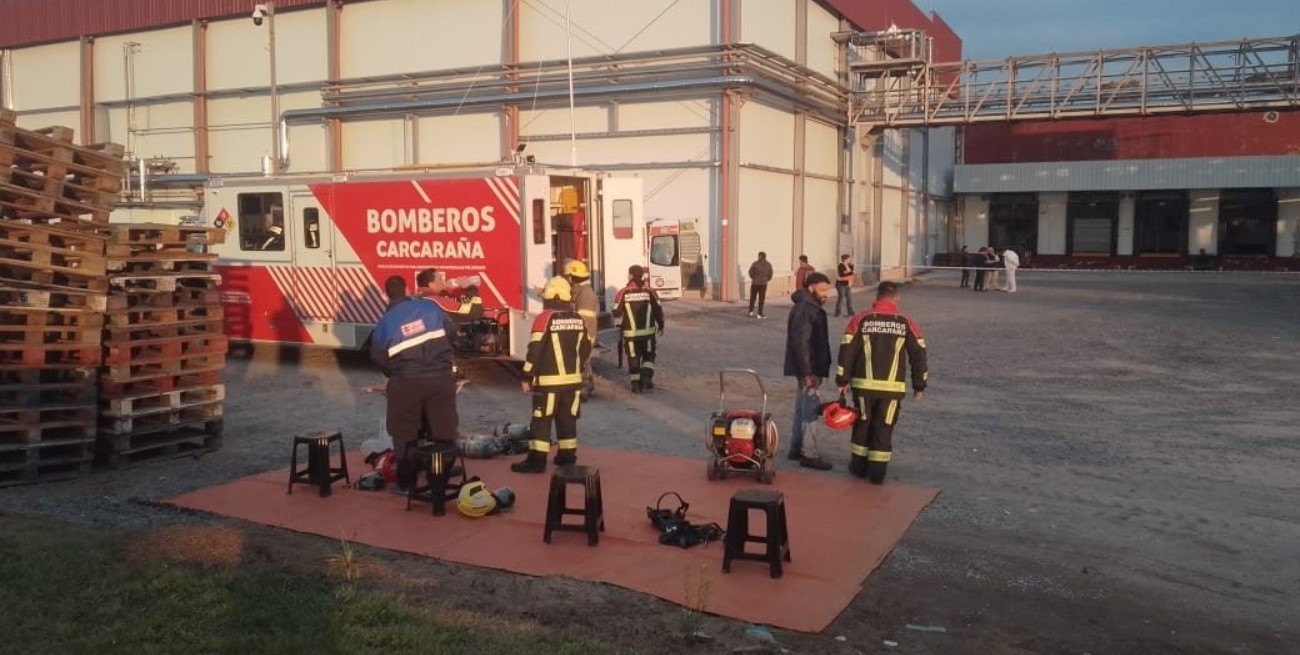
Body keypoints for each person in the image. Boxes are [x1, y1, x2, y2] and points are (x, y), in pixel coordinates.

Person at [370, 267, 460, 492]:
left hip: (405, 383)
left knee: (404, 432)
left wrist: (395, 375)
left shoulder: (384, 324)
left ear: (387, 295)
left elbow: (378, 358)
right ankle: (439, 477)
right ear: (408, 289)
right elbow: (453, 333)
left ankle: (406, 481)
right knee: (444, 429)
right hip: (441, 380)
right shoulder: (429, 308)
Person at [836, 282, 928, 485]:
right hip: (891, 389)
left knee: (862, 424)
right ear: (897, 298)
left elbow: (847, 350)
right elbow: (918, 354)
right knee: (884, 427)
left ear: (876, 297)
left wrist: (842, 380)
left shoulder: (860, 319)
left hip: (863, 386)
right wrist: (919, 385)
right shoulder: (905, 322)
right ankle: (877, 474)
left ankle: (858, 468)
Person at [511, 276, 591, 473]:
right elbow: (586, 348)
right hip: (573, 382)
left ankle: (536, 461)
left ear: (549, 295)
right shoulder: (578, 319)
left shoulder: (544, 318)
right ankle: (566, 457)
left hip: (548, 383)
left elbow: (534, 350)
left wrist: (526, 376)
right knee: (567, 419)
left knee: (541, 421)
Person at [783, 272, 834, 470]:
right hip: (809, 368)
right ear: (811, 287)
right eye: (822, 290)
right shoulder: (807, 309)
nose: (826, 294)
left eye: (827, 290)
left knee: (802, 407)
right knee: (810, 410)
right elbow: (801, 342)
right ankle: (809, 453)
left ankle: (796, 449)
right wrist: (807, 373)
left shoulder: (807, 307)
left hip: (808, 367)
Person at [614, 264, 664, 393]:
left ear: (630, 275)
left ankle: (636, 384)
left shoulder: (623, 292)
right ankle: (646, 376)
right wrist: (661, 325)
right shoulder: (650, 291)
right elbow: (658, 310)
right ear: (642, 276)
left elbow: (616, 312)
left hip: (630, 334)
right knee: (649, 355)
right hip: (648, 333)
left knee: (633, 357)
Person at [562, 259, 599, 399]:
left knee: (581, 360)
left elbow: (584, 319)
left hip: (585, 333)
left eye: (569, 276)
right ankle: (589, 385)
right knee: (584, 359)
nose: (567, 278)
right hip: (586, 332)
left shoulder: (585, 294)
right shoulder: (581, 290)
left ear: (574, 276)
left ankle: (583, 391)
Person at [747, 252, 773, 319]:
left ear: (759, 256)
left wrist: (754, 277)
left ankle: (751, 311)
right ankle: (760, 313)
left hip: (755, 283)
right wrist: (766, 279)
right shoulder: (768, 265)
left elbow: (750, 272)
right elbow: (770, 274)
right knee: (761, 299)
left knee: (753, 297)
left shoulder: (755, 264)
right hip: (763, 284)